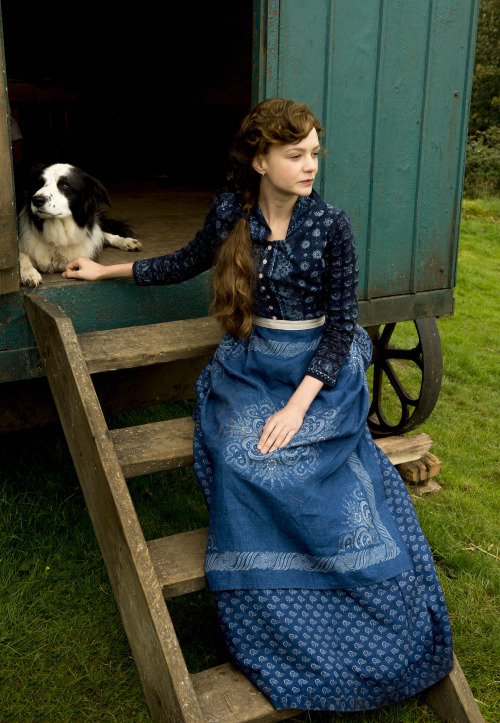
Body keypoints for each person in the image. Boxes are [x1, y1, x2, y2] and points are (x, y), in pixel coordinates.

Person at [63, 99, 453, 713]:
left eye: (315, 154)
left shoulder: (332, 226)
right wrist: (105, 270)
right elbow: (186, 261)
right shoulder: (231, 213)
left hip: (321, 371)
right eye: (295, 155)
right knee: (244, 456)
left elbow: (341, 326)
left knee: (304, 461)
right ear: (258, 158)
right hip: (254, 360)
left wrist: (299, 407)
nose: (309, 166)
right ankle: (279, 623)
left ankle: (361, 607)